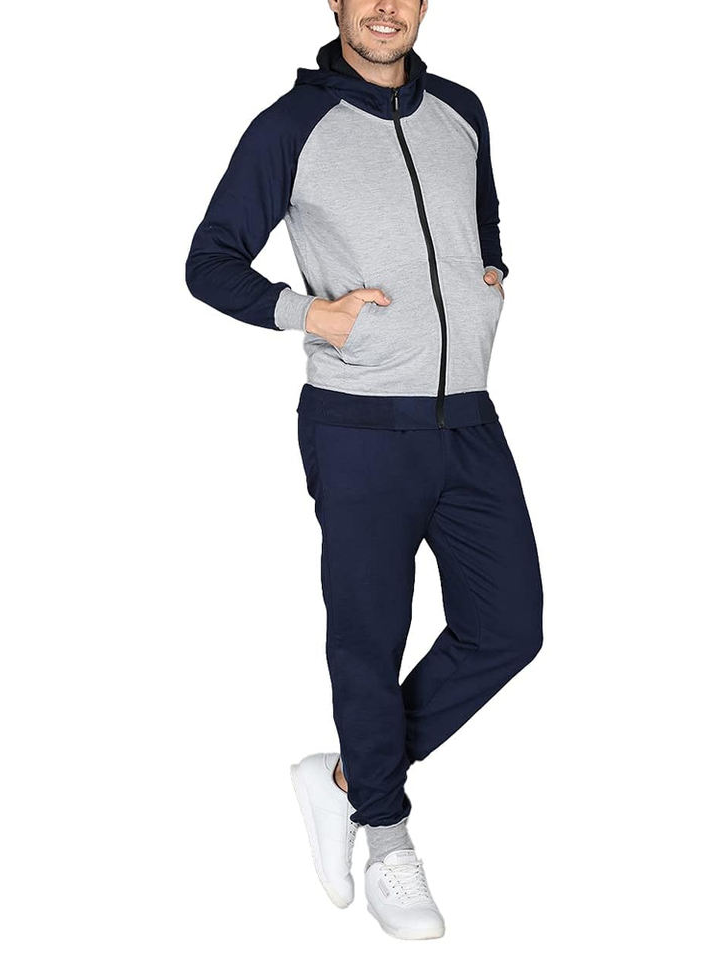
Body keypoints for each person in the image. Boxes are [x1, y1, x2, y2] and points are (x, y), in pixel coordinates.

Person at [185, 1, 543, 940]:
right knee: (369, 642)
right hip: (359, 426)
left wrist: (491, 277)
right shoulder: (291, 125)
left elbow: (481, 223)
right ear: (336, 4)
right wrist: (310, 314)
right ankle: (385, 835)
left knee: (508, 628)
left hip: (469, 417)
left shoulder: (462, 109)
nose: (386, 8)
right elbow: (209, 261)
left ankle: (348, 775)